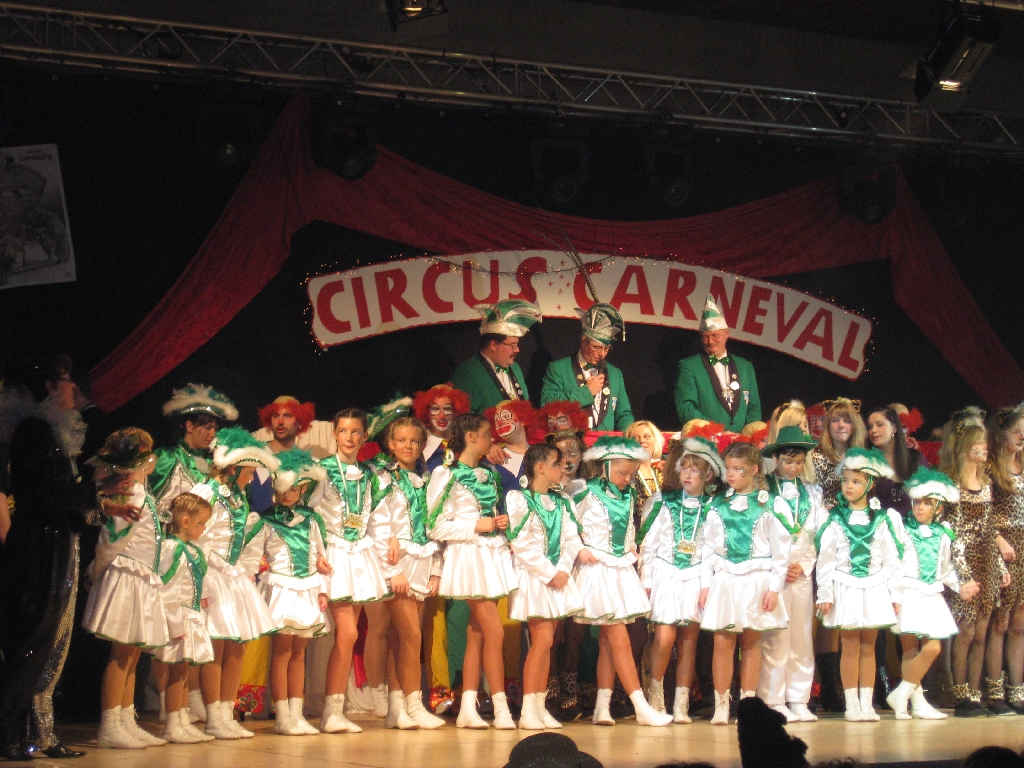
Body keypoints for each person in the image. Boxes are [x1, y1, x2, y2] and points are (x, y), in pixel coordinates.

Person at [0, 356, 113, 761]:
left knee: (51, 641)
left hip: (55, 543)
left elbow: (62, 498)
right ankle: (11, 733)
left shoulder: (51, 432)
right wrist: (95, 490)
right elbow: (47, 496)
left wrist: (97, 502)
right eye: (66, 381)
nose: (73, 390)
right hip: (39, 548)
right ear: (49, 387)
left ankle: (35, 732)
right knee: (34, 640)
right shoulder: (34, 431)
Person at [149, 383, 236, 722]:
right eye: (207, 427)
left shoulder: (207, 465)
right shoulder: (167, 459)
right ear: (188, 425)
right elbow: (151, 501)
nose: (212, 434)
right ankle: (166, 703)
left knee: (189, 629)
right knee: (167, 630)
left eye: (215, 428)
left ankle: (186, 700)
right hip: (166, 553)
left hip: (195, 556)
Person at [426, 413, 518, 729]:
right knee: (494, 632)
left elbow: (490, 514)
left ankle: (468, 706)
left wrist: (499, 524)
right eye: (486, 433)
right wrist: (476, 525)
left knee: (477, 633)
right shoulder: (445, 474)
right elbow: (434, 525)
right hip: (468, 556)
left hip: (491, 554)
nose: (492, 439)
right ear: (471, 437)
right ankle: (501, 708)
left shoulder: (490, 475)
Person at [572, 436, 671, 727]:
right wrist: (579, 548)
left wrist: (630, 547)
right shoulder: (584, 490)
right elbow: (566, 525)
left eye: (631, 474)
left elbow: (627, 528)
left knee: (607, 643)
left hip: (620, 570)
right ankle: (641, 706)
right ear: (605, 467)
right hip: (596, 571)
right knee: (618, 637)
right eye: (622, 473)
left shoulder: (627, 495)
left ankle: (602, 708)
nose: (627, 479)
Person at [81, 428, 170, 750]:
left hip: (141, 577)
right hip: (126, 577)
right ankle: (109, 724)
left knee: (131, 654)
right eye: (147, 455)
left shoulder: (142, 493)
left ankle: (125, 719)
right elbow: (112, 540)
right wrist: (95, 572)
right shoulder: (130, 493)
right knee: (121, 654)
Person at [191, 427, 280, 740]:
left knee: (237, 646)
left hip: (233, 577)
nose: (253, 475)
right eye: (249, 469)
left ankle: (226, 712)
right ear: (233, 467)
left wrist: (243, 569)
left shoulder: (238, 498)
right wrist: (204, 579)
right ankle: (213, 715)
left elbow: (242, 539)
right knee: (216, 646)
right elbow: (197, 539)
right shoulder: (207, 493)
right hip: (212, 575)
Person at [312, 408, 393, 734]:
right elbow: (310, 514)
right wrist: (315, 553)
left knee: (350, 633)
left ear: (363, 436)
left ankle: (335, 710)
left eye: (355, 432)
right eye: (343, 431)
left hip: (359, 554)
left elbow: (374, 516)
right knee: (347, 633)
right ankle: (330, 711)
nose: (349, 437)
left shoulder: (369, 474)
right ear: (335, 434)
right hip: (332, 553)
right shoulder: (321, 471)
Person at [699, 441, 790, 725]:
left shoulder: (770, 504)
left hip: (756, 580)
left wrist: (774, 588)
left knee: (751, 642)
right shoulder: (718, 504)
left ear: (754, 470)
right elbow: (707, 548)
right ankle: (721, 705)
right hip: (726, 580)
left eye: (738, 469)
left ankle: (748, 706)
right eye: (728, 468)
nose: (731, 474)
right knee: (722, 641)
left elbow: (781, 551)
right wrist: (705, 584)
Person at [638, 436, 724, 724]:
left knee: (689, 641)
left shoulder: (713, 506)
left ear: (708, 476)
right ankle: (655, 696)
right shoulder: (664, 501)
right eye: (684, 468)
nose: (687, 474)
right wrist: (646, 580)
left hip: (697, 576)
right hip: (665, 574)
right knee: (664, 638)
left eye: (695, 470)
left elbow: (711, 549)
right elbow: (648, 543)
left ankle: (681, 704)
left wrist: (706, 585)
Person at [814, 448, 903, 722]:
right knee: (850, 646)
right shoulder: (834, 518)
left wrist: (895, 593)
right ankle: (851, 703)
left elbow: (891, 558)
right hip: (846, 587)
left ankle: (867, 702)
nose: (849, 486)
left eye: (856, 481)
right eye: (845, 481)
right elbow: (826, 559)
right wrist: (825, 593)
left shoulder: (883, 518)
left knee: (869, 647)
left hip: (874, 587)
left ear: (869, 484)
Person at [506, 443, 585, 730]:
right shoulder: (519, 499)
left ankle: (539, 707)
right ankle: (528, 709)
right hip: (535, 578)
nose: (562, 468)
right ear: (540, 467)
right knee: (541, 641)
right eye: (556, 464)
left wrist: (563, 569)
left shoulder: (562, 501)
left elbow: (572, 539)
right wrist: (549, 573)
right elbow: (520, 543)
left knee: (548, 642)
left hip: (557, 578)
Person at [375, 416, 447, 730]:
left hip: (422, 561)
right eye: (402, 440)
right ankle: (414, 704)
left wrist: (436, 570)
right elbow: (378, 523)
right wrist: (392, 570)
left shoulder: (427, 480)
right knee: (411, 636)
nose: (408, 446)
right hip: (397, 561)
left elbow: (434, 527)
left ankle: (397, 708)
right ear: (391, 444)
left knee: (399, 638)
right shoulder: (384, 478)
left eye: (414, 441)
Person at [886, 467, 973, 720]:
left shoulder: (943, 534)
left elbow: (945, 570)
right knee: (910, 650)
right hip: (908, 593)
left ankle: (901, 693)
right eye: (917, 502)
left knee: (933, 647)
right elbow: (894, 565)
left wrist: (959, 586)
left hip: (931, 595)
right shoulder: (903, 529)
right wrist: (895, 596)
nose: (920, 507)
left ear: (938, 507)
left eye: (927, 503)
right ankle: (915, 703)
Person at [258, 448, 331, 736]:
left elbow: (320, 556)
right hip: (280, 588)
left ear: (302, 488)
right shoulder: (266, 519)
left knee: (299, 652)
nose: (287, 494)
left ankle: (297, 713)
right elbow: (256, 555)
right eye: (282, 488)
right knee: (282, 651)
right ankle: (282, 715)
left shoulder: (311, 518)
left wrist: (322, 590)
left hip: (306, 588)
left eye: (293, 488)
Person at [940, 414, 1008, 717]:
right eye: (979, 443)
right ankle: (960, 696)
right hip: (962, 562)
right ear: (966, 447)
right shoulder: (952, 485)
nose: (984, 447)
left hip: (987, 562)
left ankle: (976, 694)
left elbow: (989, 526)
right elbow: (952, 533)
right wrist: (963, 576)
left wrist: (1000, 567)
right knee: (965, 632)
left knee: (981, 633)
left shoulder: (987, 482)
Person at [758, 426, 828, 722]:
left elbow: (819, 533)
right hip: (773, 574)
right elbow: (758, 531)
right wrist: (778, 565)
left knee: (801, 637)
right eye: (788, 461)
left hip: (800, 574)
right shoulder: (764, 491)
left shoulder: (812, 493)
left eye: (799, 462)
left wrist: (804, 564)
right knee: (775, 637)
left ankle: (798, 698)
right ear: (776, 459)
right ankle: (772, 699)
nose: (793, 468)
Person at [154, 493, 216, 744]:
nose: (204, 529)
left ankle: (181, 719)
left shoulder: (190, 550)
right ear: (186, 521)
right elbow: (167, 589)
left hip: (190, 614)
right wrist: (174, 622)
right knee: (176, 672)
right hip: (178, 617)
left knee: (183, 672)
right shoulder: (172, 548)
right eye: (201, 523)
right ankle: (172, 723)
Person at [539, 303, 633, 431]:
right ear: (583, 341)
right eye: (597, 347)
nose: (602, 354)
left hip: (604, 441)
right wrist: (586, 392)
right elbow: (547, 406)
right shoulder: (559, 369)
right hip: (571, 440)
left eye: (607, 348)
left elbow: (624, 414)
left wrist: (628, 436)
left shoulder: (615, 373)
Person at [675, 294, 761, 433]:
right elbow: (686, 408)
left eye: (715, 335)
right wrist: (716, 432)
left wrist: (747, 435)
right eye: (705, 337)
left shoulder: (745, 366)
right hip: (707, 439)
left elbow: (754, 407)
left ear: (726, 334)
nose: (710, 341)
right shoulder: (690, 366)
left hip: (741, 440)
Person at [986, 406, 1024, 715]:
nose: (1022, 437)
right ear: (1002, 435)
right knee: (1000, 622)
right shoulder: (991, 468)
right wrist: (999, 541)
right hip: (1003, 548)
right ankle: (994, 692)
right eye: (1016, 431)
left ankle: (1017, 689)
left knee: (1020, 623)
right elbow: (981, 512)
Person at [449, 299, 543, 413]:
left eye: (517, 344)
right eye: (512, 345)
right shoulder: (467, 373)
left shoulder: (515, 368)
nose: (517, 350)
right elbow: (464, 417)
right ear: (493, 345)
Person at [247, 396, 316, 513]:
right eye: (275, 416)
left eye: (287, 415)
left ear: (300, 421)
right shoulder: (255, 455)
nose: (280, 422)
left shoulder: (306, 463)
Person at [866, 406, 926, 515]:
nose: (873, 430)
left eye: (879, 425)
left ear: (894, 428)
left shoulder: (915, 458)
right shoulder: (865, 462)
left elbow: (929, 499)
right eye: (870, 427)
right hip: (878, 523)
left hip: (913, 523)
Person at [412, 383, 470, 472]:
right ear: (427, 412)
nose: (442, 416)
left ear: (455, 411)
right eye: (435, 409)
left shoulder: (466, 442)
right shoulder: (418, 442)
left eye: (447, 409)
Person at [486, 399, 537, 496]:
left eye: (506, 416)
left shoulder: (542, 454)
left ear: (523, 420)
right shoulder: (491, 461)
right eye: (496, 420)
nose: (500, 422)